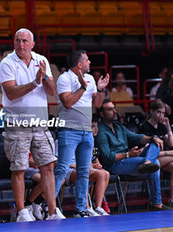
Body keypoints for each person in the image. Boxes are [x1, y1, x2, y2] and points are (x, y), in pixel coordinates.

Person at [0, 28, 64, 222]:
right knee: (18, 168)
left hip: (40, 123)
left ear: (33, 44)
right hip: (17, 124)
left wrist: (44, 78)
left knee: (48, 167)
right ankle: (22, 212)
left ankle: (52, 211)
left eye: (25, 41)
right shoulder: (7, 62)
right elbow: (11, 93)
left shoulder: (41, 61)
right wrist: (35, 83)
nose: (21, 44)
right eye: (18, 40)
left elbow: (52, 92)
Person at [54, 50, 109, 218]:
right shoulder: (64, 78)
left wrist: (99, 90)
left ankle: (80, 209)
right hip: (69, 130)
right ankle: (47, 206)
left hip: (86, 131)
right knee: (62, 169)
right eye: (87, 60)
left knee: (84, 171)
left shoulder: (91, 79)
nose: (90, 62)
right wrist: (83, 87)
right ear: (79, 64)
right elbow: (68, 102)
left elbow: (98, 105)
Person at [96, 99, 165, 210]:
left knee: (154, 143)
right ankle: (156, 203)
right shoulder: (101, 131)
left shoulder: (118, 126)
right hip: (116, 164)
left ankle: (147, 162)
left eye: (114, 108)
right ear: (102, 114)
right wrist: (128, 154)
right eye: (110, 109)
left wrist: (153, 138)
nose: (114, 111)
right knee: (155, 162)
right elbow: (107, 157)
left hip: (130, 160)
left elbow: (136, 137)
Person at [139, 99, 173, 208]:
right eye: (159, 112)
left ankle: (172, 200)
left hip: (161, 159)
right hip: (149, 160)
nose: (161, 115)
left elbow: (172, 143)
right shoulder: (144, 127)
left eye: (163, 113)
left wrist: (168, 126)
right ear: (151, 111)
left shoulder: (161, 126)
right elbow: (145, 152)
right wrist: (169, 152)